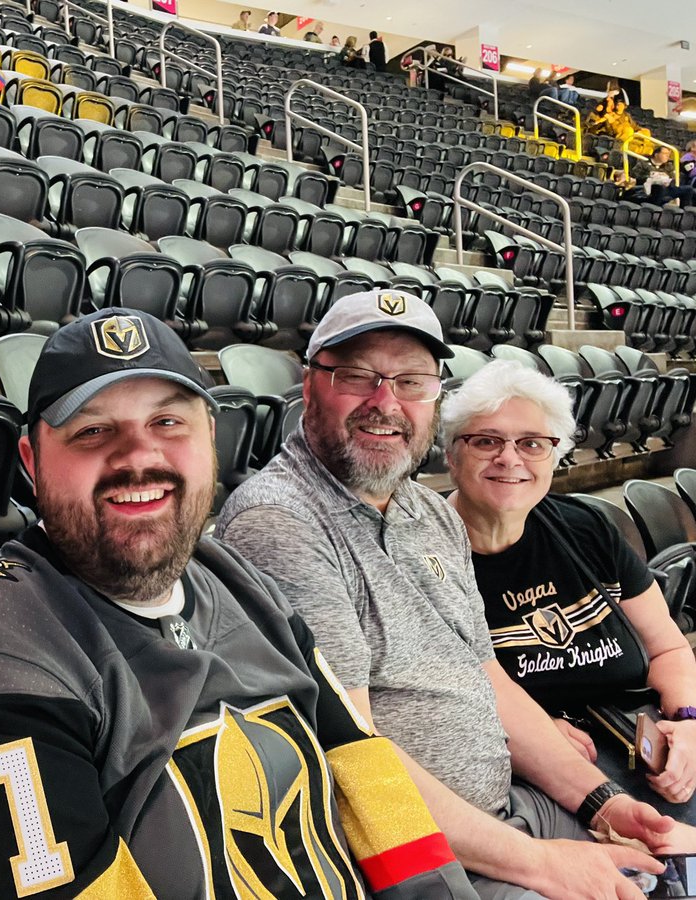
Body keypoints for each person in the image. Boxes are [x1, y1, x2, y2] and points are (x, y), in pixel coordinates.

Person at [0, 308, 479, 898]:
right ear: (31, 463)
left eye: (169, 422)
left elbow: (369, 783)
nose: (138, 456)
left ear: (211, 444)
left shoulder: (244, 583)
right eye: (92, 431)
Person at [217, 289, 696, 899]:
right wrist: (540, 863)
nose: (385, 403)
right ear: (309, 386)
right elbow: (352, 753)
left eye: (412, 381)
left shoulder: (428, 513)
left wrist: (600, 801)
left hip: (505, 810)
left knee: (676, 870)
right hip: (410, 850)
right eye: (357, 377)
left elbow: (481, 672)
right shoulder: (281, 522)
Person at [442, 361, 696, 806]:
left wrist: (690, 723)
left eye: (532, 443)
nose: (510, 458)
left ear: (555, 457)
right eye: (486, 441)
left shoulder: (586, 527)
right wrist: (530, 733)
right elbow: (432, 703)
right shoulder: (425, 554)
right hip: (520, 775)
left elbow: (668, 648)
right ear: (450, 454)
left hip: (633, 739)